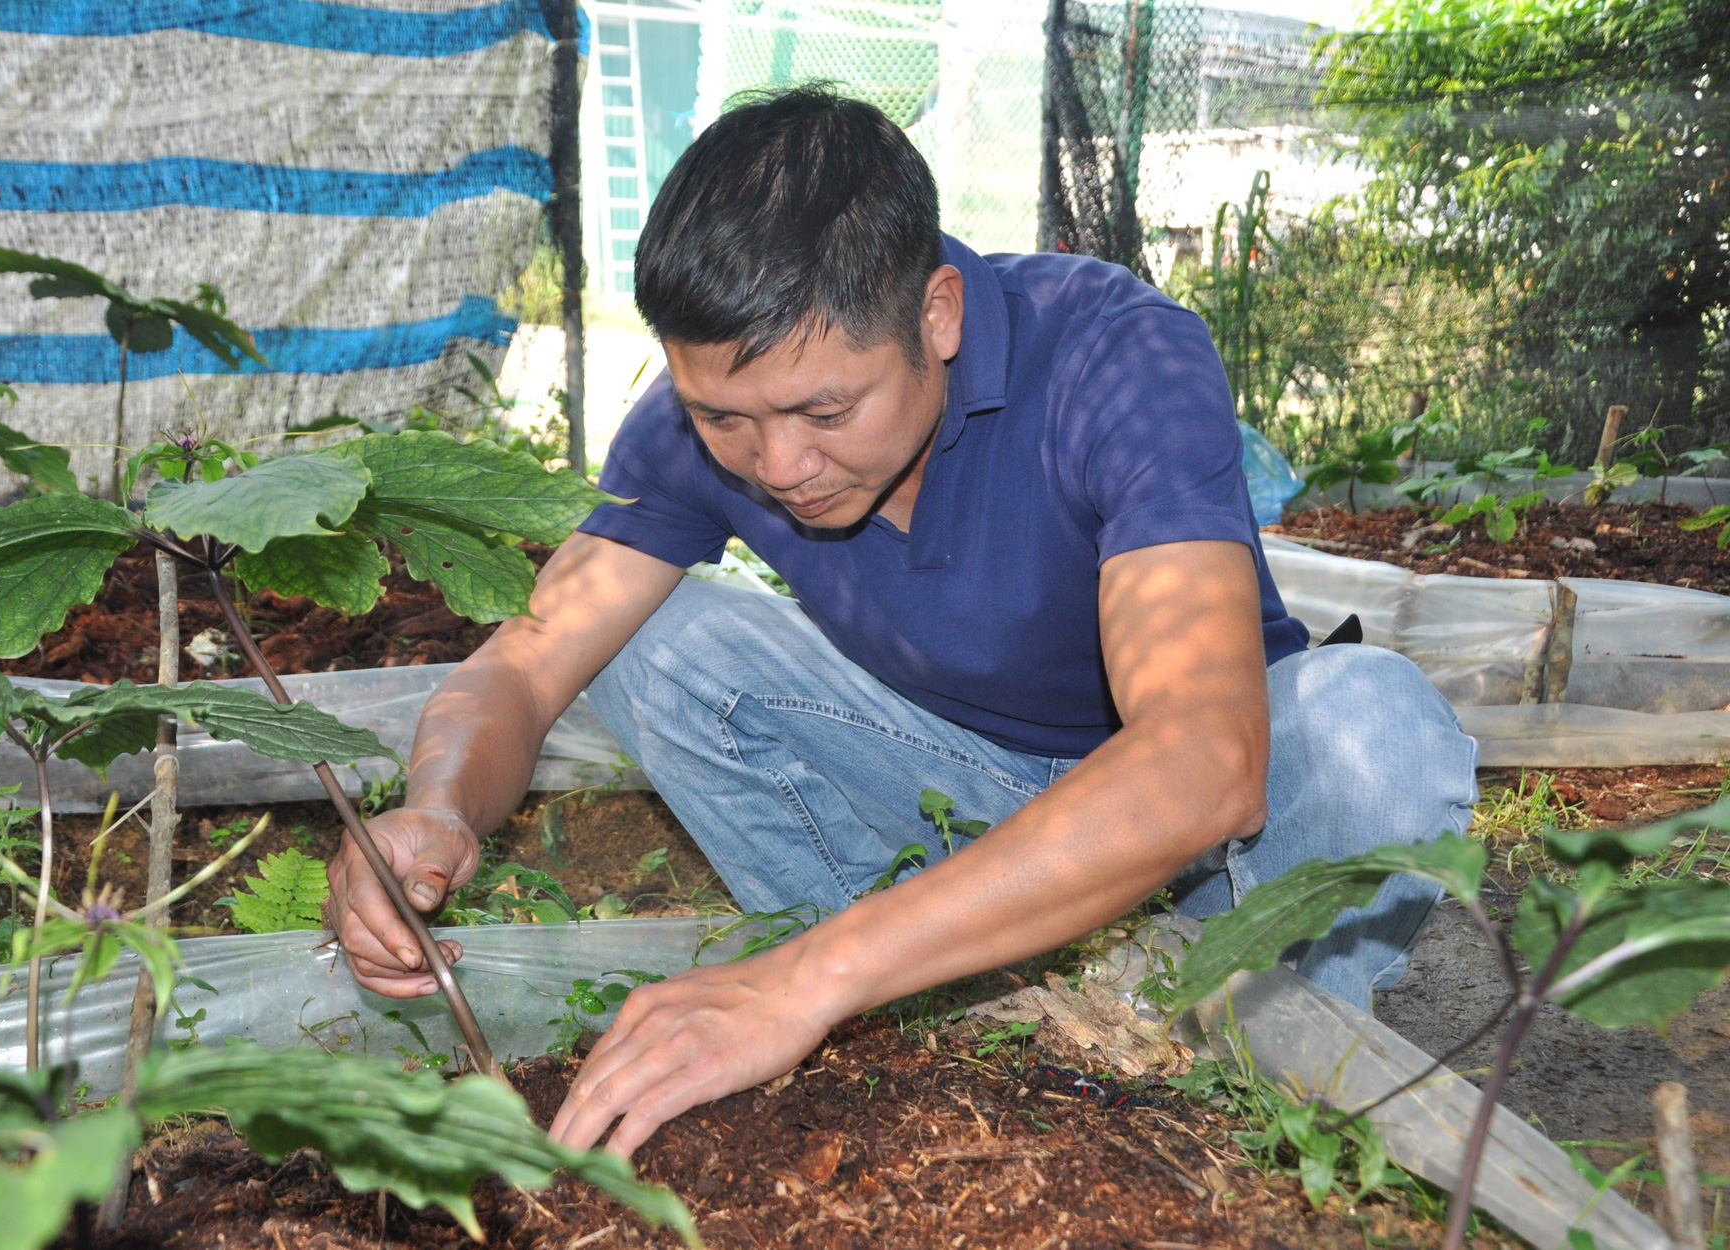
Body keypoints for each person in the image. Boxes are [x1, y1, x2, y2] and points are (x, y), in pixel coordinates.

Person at [326, 86, 1477, 1157]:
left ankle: (1236, 1063)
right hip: (949, 792)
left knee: (1377, 724)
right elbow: (524, 663)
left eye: (825, 408)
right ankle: (948, 998)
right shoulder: (712, 420)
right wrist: (430, 809)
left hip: (1218, 839)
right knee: (651, 640)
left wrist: (801, 977)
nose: (779, 464)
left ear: (937, 313)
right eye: (725, 417)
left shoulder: (1116, 358)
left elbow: (1201, 760)